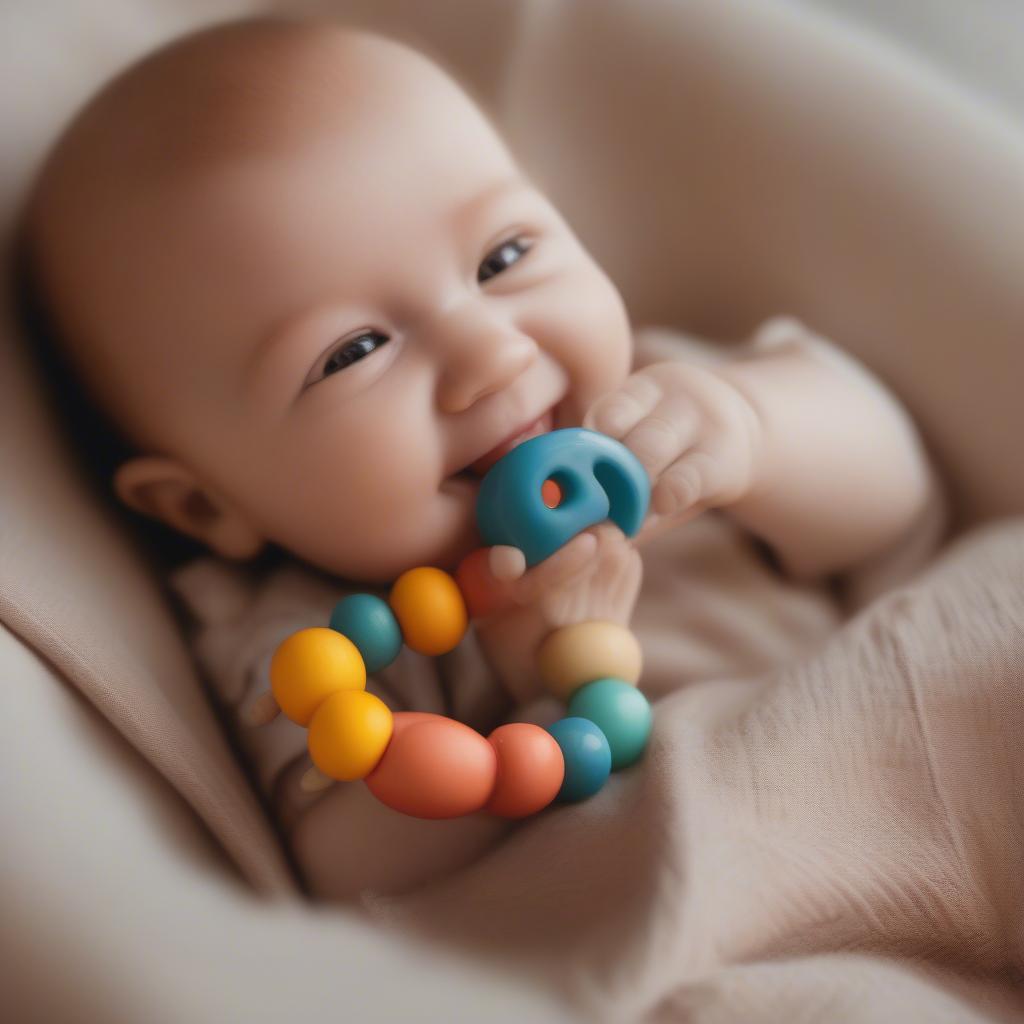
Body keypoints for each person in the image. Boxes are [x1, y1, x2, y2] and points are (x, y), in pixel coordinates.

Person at [21, 16, 943, 900]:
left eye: (504, 257)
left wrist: (755, 433)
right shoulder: (313, 650)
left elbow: (893, 502)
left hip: (898, 778)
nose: (492, 354)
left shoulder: (667, 409)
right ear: (203, 508)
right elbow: (362, 872)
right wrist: (542, 688)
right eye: (354, 352)